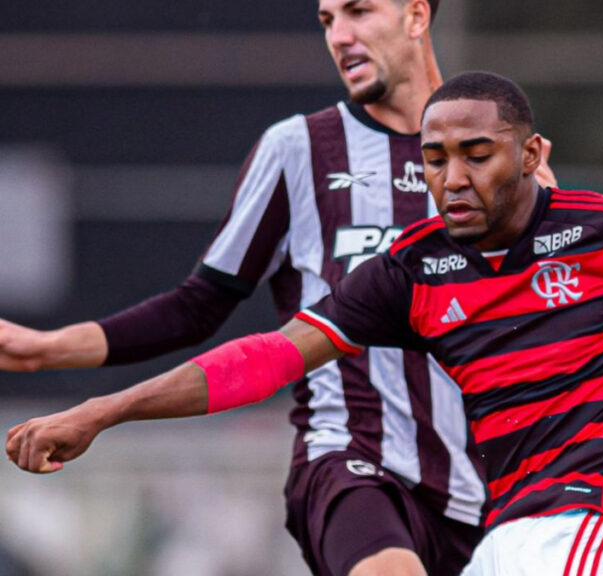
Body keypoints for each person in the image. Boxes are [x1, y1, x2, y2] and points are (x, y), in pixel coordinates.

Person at [7, 71, 603, 575]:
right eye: (434, 159)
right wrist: (101, 412)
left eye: (478, 153)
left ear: (532, 153)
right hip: (507, 539)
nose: (453, 177)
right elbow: (267, 359)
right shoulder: (414, 269)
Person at [0, 2, 561, 575]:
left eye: (359, 12)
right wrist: (43, 350)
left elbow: (555, 328)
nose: (341, 36)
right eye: (327, 21)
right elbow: (200, 306)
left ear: (416, 15)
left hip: (491, 487)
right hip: (351, 461)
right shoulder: (300, 149)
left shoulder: (508, 169)